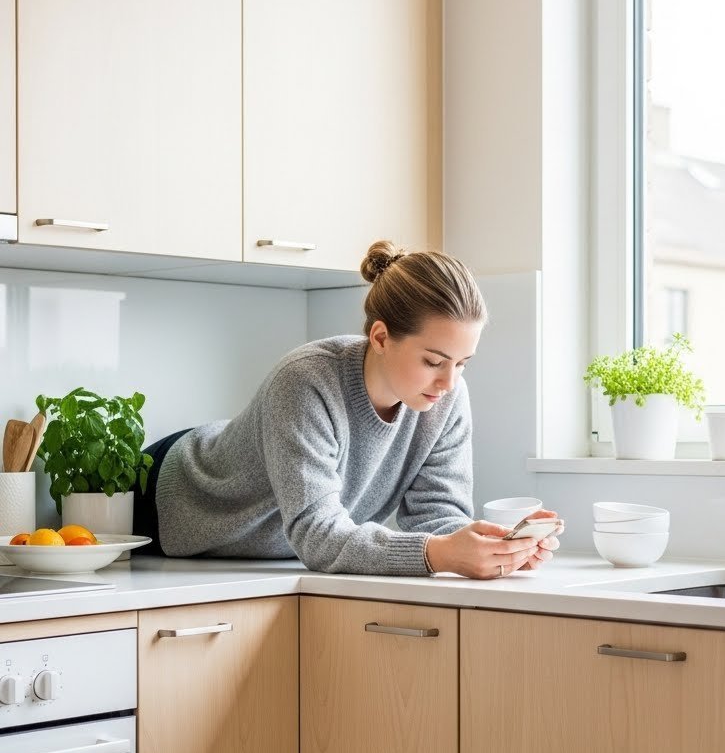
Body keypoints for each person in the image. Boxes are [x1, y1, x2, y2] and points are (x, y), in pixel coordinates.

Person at [133, 240, 561, 579]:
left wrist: (495, 550)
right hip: (170, 499)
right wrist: (441, 555)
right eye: (433, 361)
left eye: (462, 364)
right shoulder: (306, 380)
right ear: (379, 337)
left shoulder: (446, 396)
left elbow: (436, 512)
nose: (449, 382)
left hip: (274, 543)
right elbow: (318, 537)